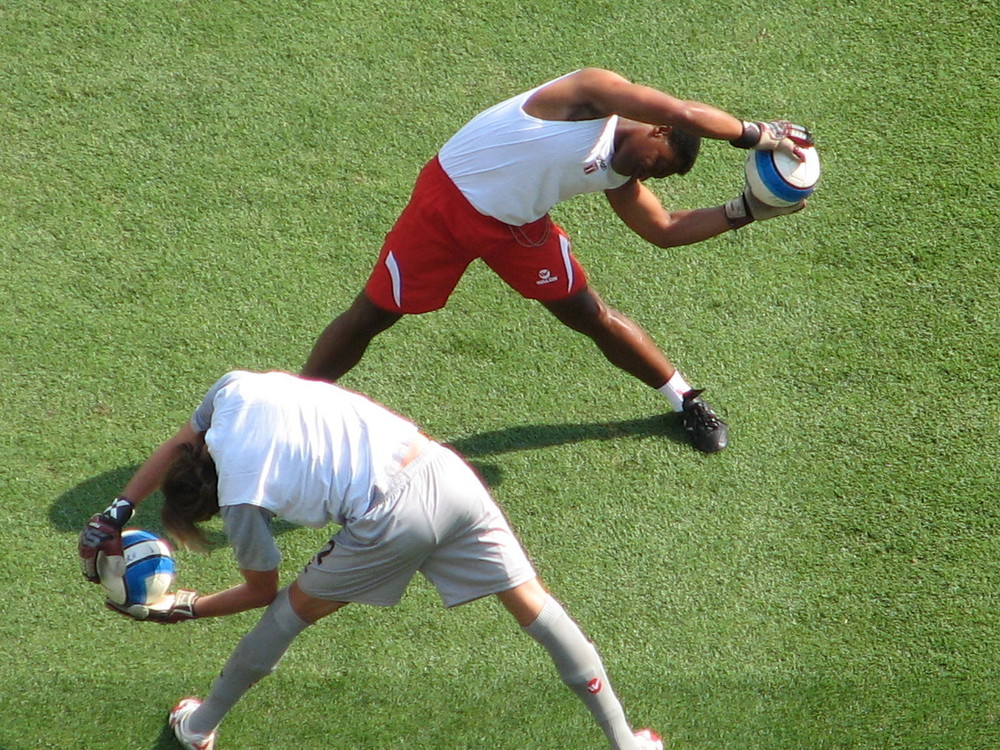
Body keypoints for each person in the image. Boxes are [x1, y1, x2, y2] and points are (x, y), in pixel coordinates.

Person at [79, 370, 665, 750]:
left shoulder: (238, 499)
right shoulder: (234, 388)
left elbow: (260, 590)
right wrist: (116, 510)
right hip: (443, 470)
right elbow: (179, 438)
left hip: (389, 517)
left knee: (287, 613)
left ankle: (200, 726)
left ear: (206, 505)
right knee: (532, 604)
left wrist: (182, 609)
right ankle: (624, 739)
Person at [301, 67, 814, 453]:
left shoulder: (619, 172)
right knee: (373, 314)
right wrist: (755, 133)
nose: (650, 177)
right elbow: (682, 112)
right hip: (447, 205)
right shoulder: (588, 94)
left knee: (591, 315)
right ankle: (293, 405)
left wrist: (746, 211)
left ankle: (685, 399)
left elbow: (664, 230)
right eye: (661, 166)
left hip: (519, 229)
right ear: (656, 130)